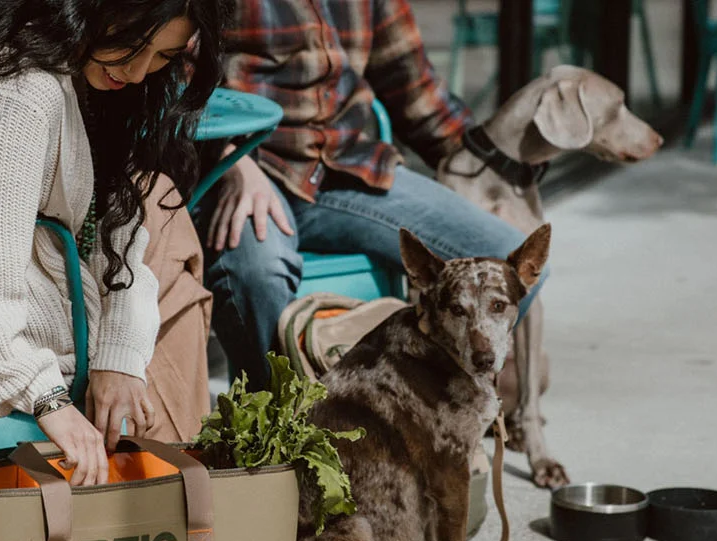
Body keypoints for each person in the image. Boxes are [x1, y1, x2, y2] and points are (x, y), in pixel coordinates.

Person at [0, 0, 227, 485]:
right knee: (173, 288)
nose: (139, 73)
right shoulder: (16, 93)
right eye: (131, 45)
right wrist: (45, 395)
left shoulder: (60, 72)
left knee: (157, 222)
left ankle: (174, 498)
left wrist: (118, 354)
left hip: (13, 317)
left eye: (162, 57)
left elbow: (111, 223)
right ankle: (180, 503)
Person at [203, 0, 545, 390]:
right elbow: (175, 79)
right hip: (249, 167)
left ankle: (437, 409)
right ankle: (273, 426)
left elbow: (418, 94)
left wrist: (491, 180)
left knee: (508, 252)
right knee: (256, 274)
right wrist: (229, 157)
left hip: (348, 168)